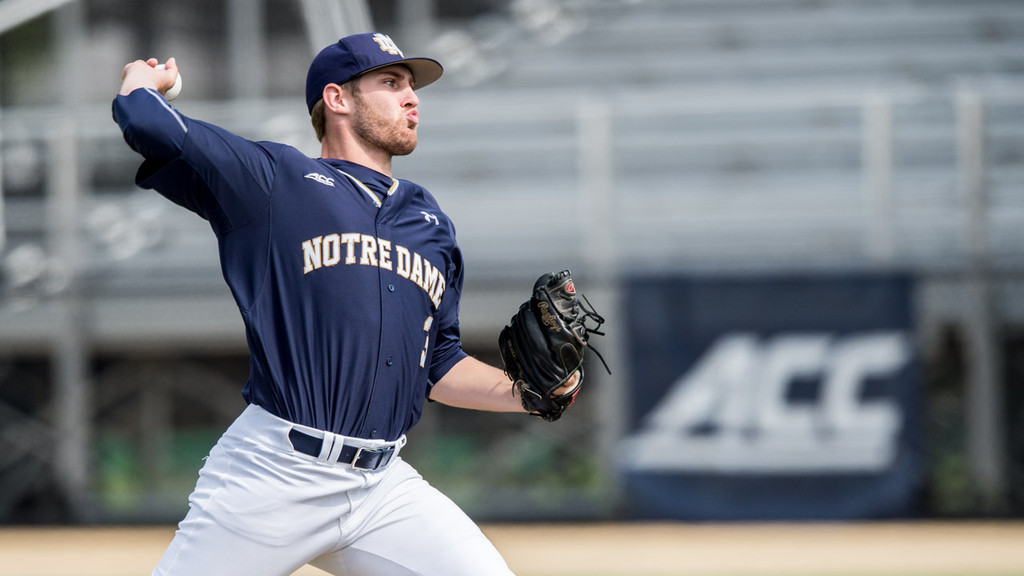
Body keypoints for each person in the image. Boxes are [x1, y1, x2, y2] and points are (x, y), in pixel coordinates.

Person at [114, 32, 577, 576]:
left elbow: (438, 365)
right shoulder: (274, 181)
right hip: (274, 475)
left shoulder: (430, 226)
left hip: (382, 488)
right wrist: (143, 80)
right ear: (337, 99)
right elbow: (145, 121)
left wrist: (528, 393)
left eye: (411, 86)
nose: (412, 98)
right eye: (391, 82)